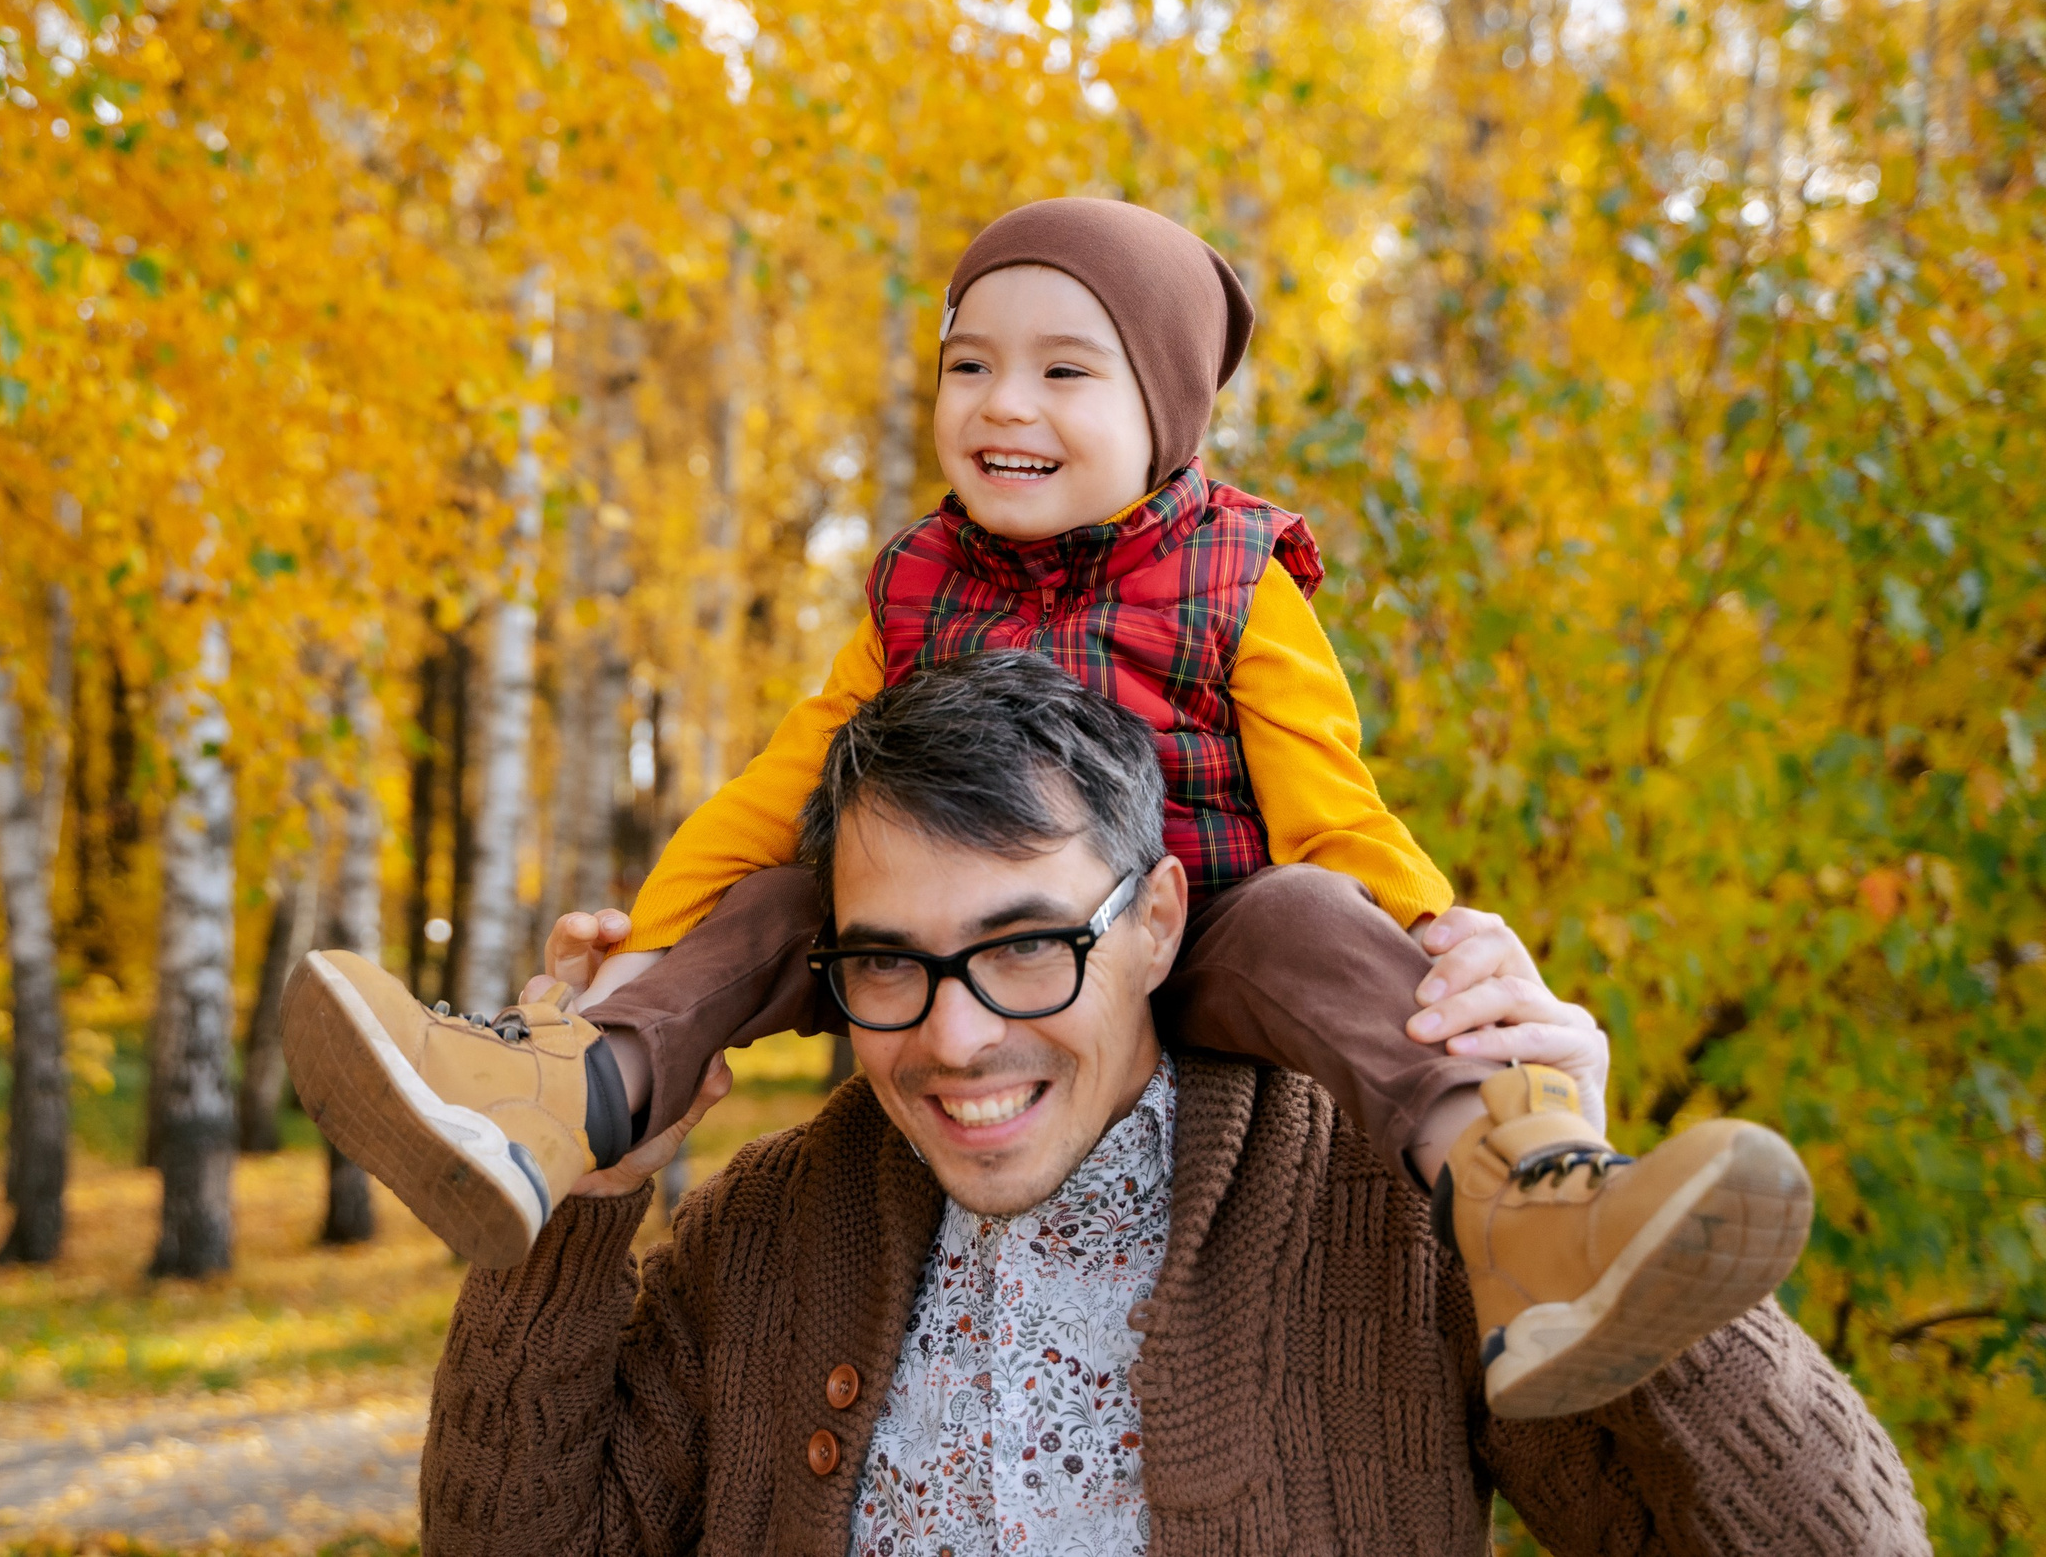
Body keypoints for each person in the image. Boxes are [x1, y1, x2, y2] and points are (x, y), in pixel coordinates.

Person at [285, 197, 1809, 1415]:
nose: (1002, 402)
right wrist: (646, 952)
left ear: (1168, 409)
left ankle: (1524, 1205)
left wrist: (1446, 950)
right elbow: (780, 782)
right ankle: (566, 1099)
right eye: (969, 364)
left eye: (1066, 371)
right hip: (926, 944)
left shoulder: (1236, 576)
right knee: (786, 892)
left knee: (1307, 911)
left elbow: (1331, 807)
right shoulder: (913, 583)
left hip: (1195, 931)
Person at [413, 653, 1924, 1556]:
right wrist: (581, 1209)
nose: (955, 1039)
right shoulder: (766, 1232)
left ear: (1155, 920)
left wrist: (1571, 1184)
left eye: (1026, 946)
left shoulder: (1392, 1218)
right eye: (887, 963)